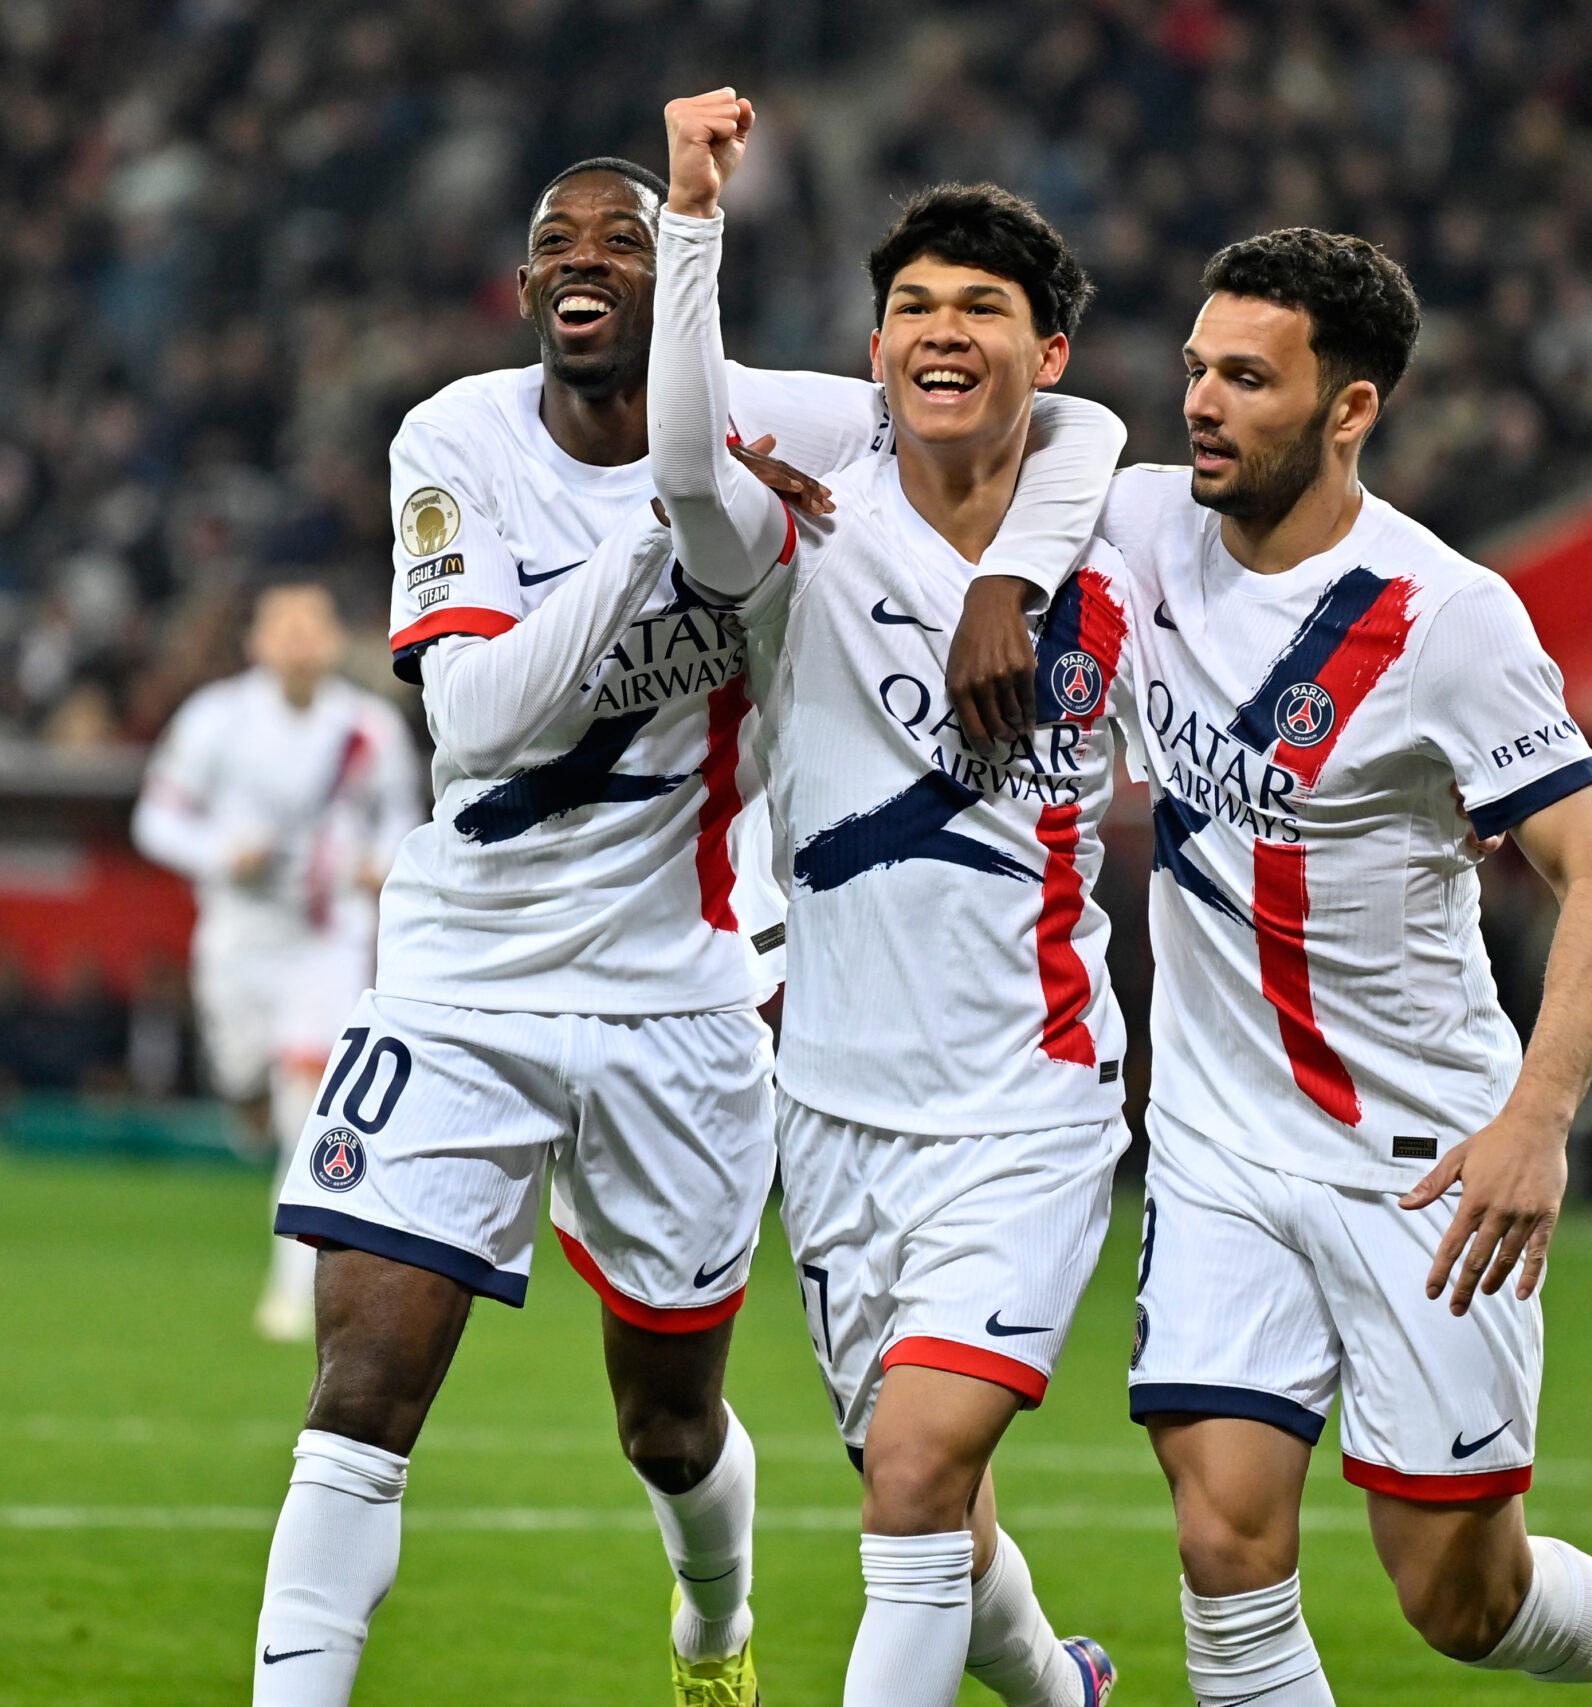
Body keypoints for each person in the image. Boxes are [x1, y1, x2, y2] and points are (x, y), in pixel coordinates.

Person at [247, 148, 1123, 1707]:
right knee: (358, 1397)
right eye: (554, 240)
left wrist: (1013, 570)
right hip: (462, 978)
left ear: (683, 292)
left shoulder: (789, 418)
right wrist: (669, 517)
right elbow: (478, 715)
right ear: (527, 283)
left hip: (681, 999)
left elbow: (1078, 425)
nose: (583, 257)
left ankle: (714, 1628)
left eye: (625, 238)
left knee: (669, 1422)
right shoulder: (457, 435)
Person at [1108, 229, 1592, 1707]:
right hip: (1215, 1142)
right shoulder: (1135, 526)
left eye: (1247, 378)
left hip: (1420, 1157)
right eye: (1196, 368)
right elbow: (992, 438)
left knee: (1458, 1595)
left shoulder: (1446, 618)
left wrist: (1537, 1120)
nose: (1200, 403)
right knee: (1222, 1541)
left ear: (1350, 408)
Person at [650, 93, 1124, 1707]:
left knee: (915, 1475)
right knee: (930, 1496)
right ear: (873, 352)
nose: (942, 330)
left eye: (983, 307)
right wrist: (693, 215)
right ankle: (1065, 1690)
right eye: (915, 306)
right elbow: (680, 444)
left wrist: (1013, 578)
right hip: (838, 1108)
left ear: (1047, 355)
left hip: (1031, 1099)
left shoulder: (1119, 535)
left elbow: (1111, 443)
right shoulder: (807, 526)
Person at [132, 582, 421, 1341]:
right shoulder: (216, 719)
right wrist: (219, 854)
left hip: (328, 939)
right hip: (239, 937)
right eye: (284, 626)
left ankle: (291, 1291)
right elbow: (155, 817)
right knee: (244, 1081)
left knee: (309, 1108)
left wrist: (382, 860)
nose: (299, 639)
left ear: (334, 640)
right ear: (256, 641)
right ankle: (243, 1099)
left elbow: (401, 816)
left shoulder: (368, 728)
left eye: (312, 625)